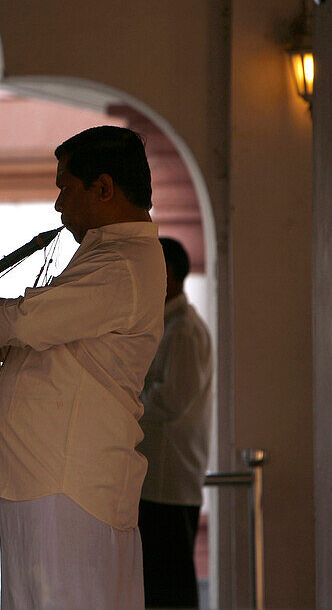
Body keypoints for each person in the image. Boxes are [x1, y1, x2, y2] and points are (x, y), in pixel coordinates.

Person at [0, 125, 165, 608]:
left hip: (70, 486)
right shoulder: (103, 256)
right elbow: (31, 345)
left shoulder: (123, 263)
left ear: (103, 189)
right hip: (46, 481)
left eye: (65, 188)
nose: (59, 206)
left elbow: (31, 323)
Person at [137, 237, 213, 608]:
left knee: (169, 591)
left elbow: (170, 401)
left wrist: (122, 404)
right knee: (158, 586)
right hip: (157, 482)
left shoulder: (183, 330)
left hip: (167, 481)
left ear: (167, 272)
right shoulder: (165, 325)